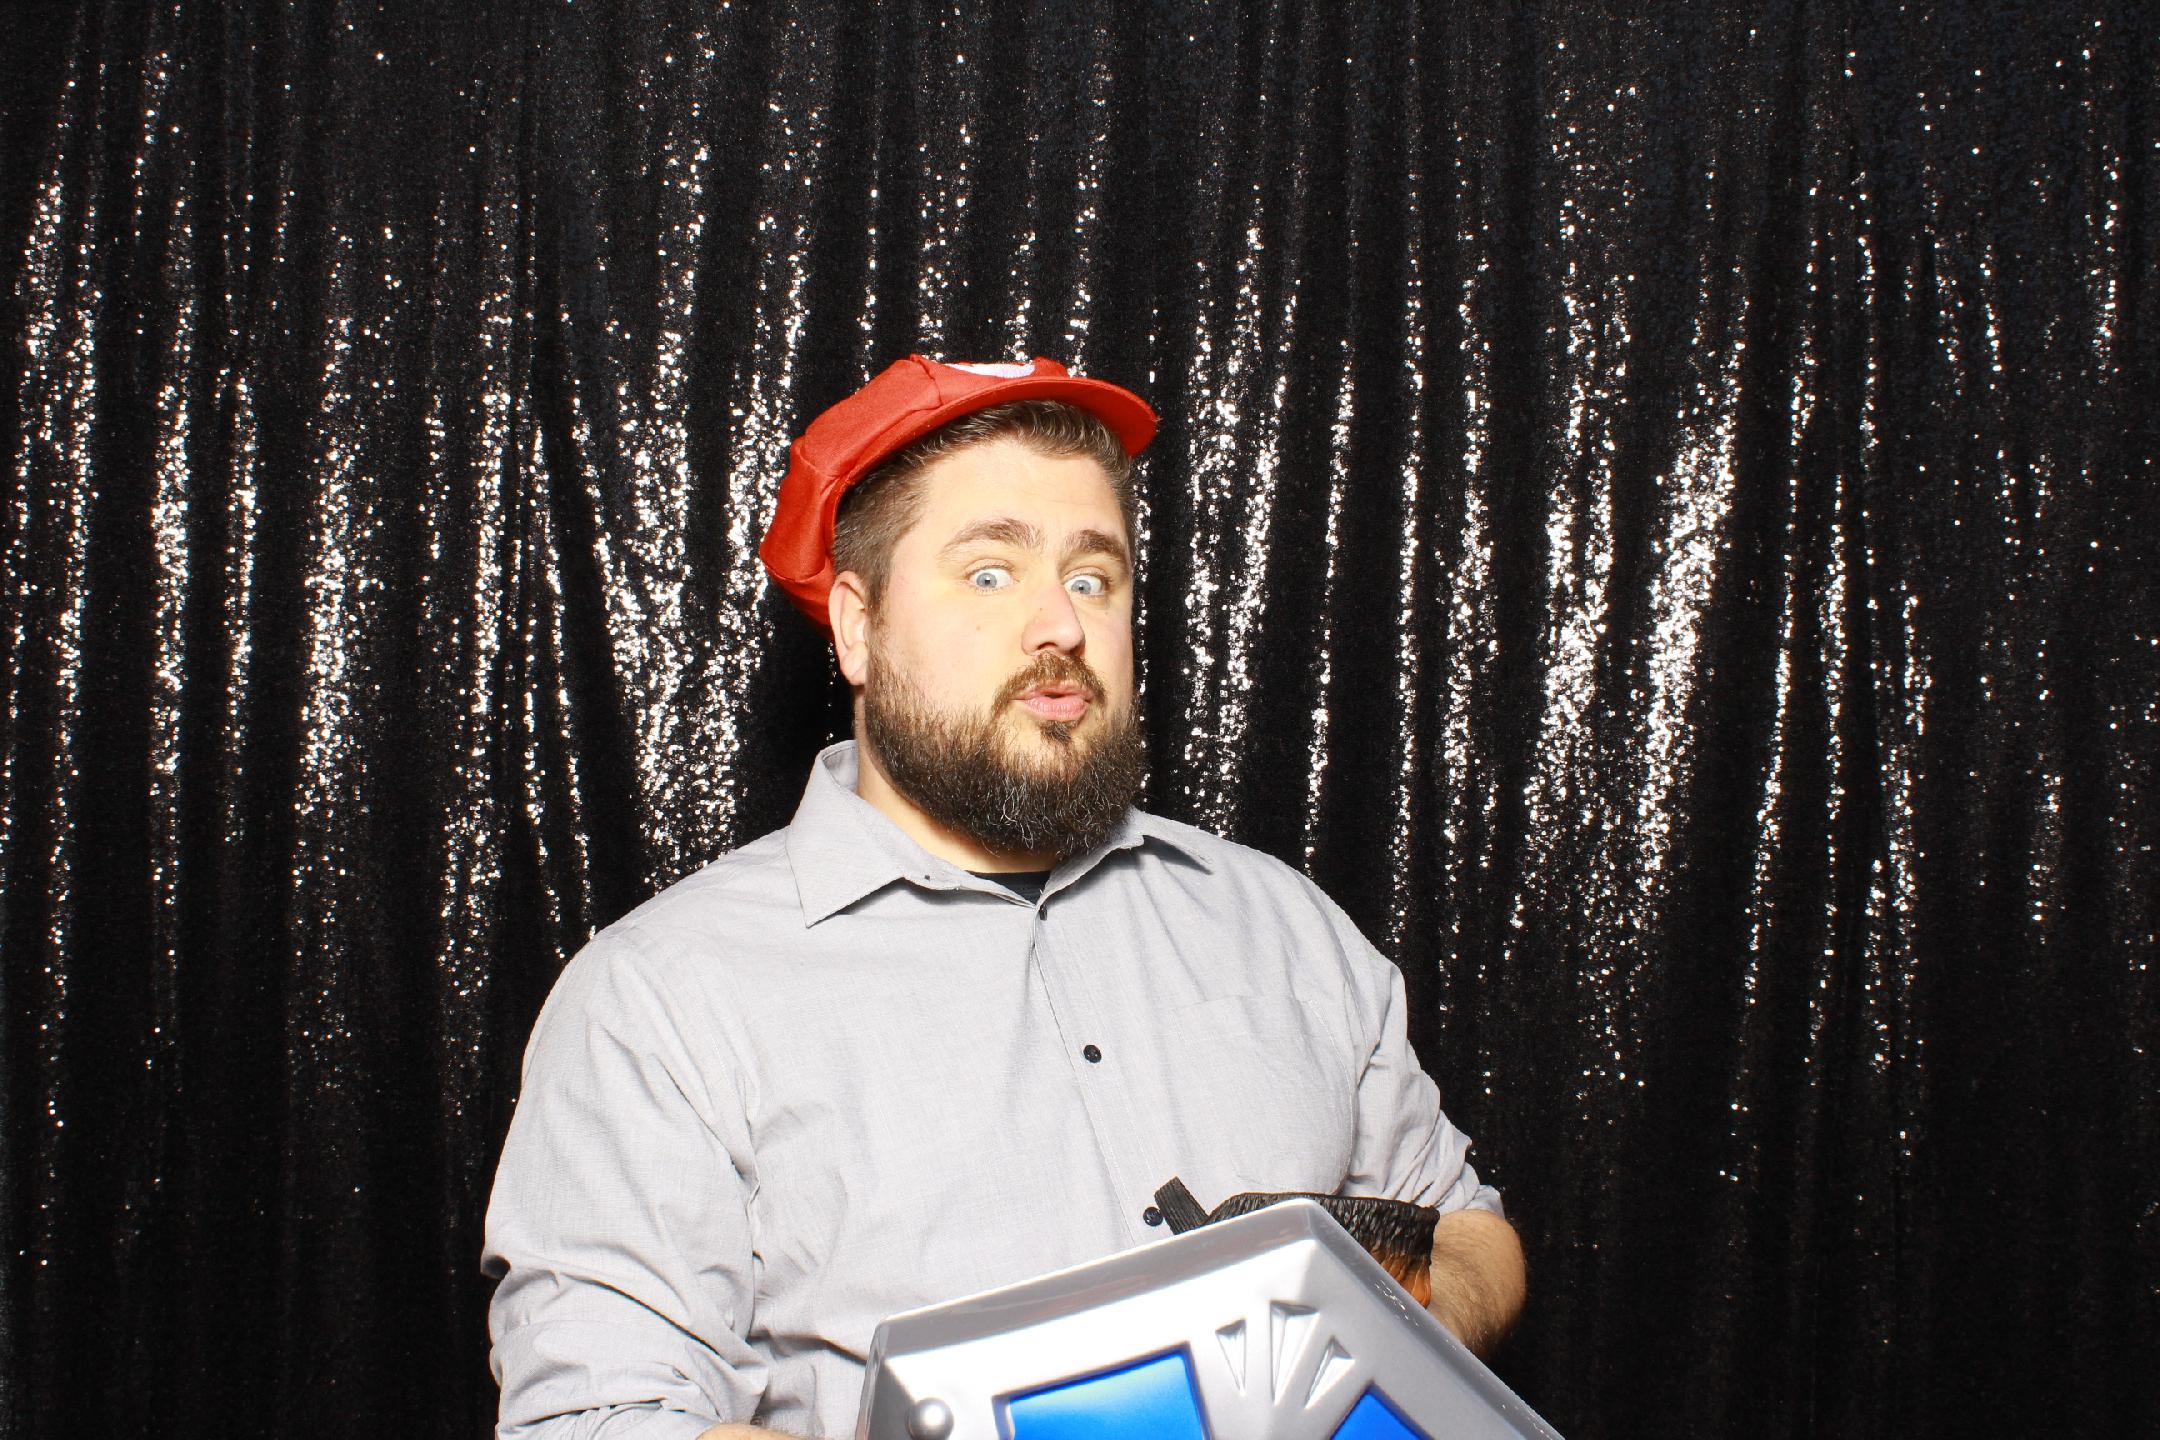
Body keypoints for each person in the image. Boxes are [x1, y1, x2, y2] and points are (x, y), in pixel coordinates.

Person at [482, 355, 1526, 1440]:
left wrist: (1373, 1335)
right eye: (989, 574)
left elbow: (1464, 1226)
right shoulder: (660, 998)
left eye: (1093, 578)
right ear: (856, 626)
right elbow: (597, 1418)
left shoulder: (1282, 924)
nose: (1059, 626)